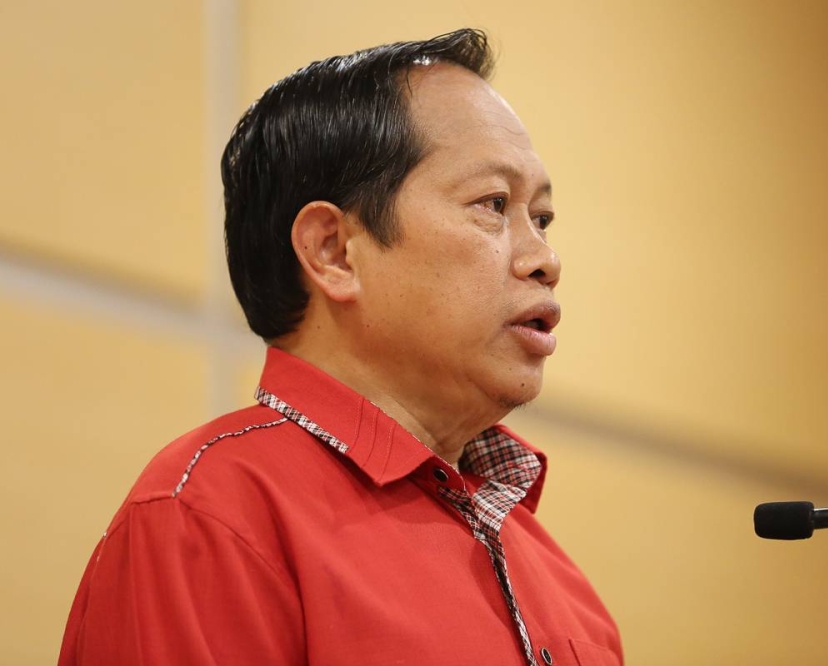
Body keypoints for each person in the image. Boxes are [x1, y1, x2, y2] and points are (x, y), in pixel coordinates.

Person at [59, 29, 622, 666]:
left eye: (541, 218)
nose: (544, 260)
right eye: (493, 205)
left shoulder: (570, 591)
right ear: (333, 251)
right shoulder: (209, 515)